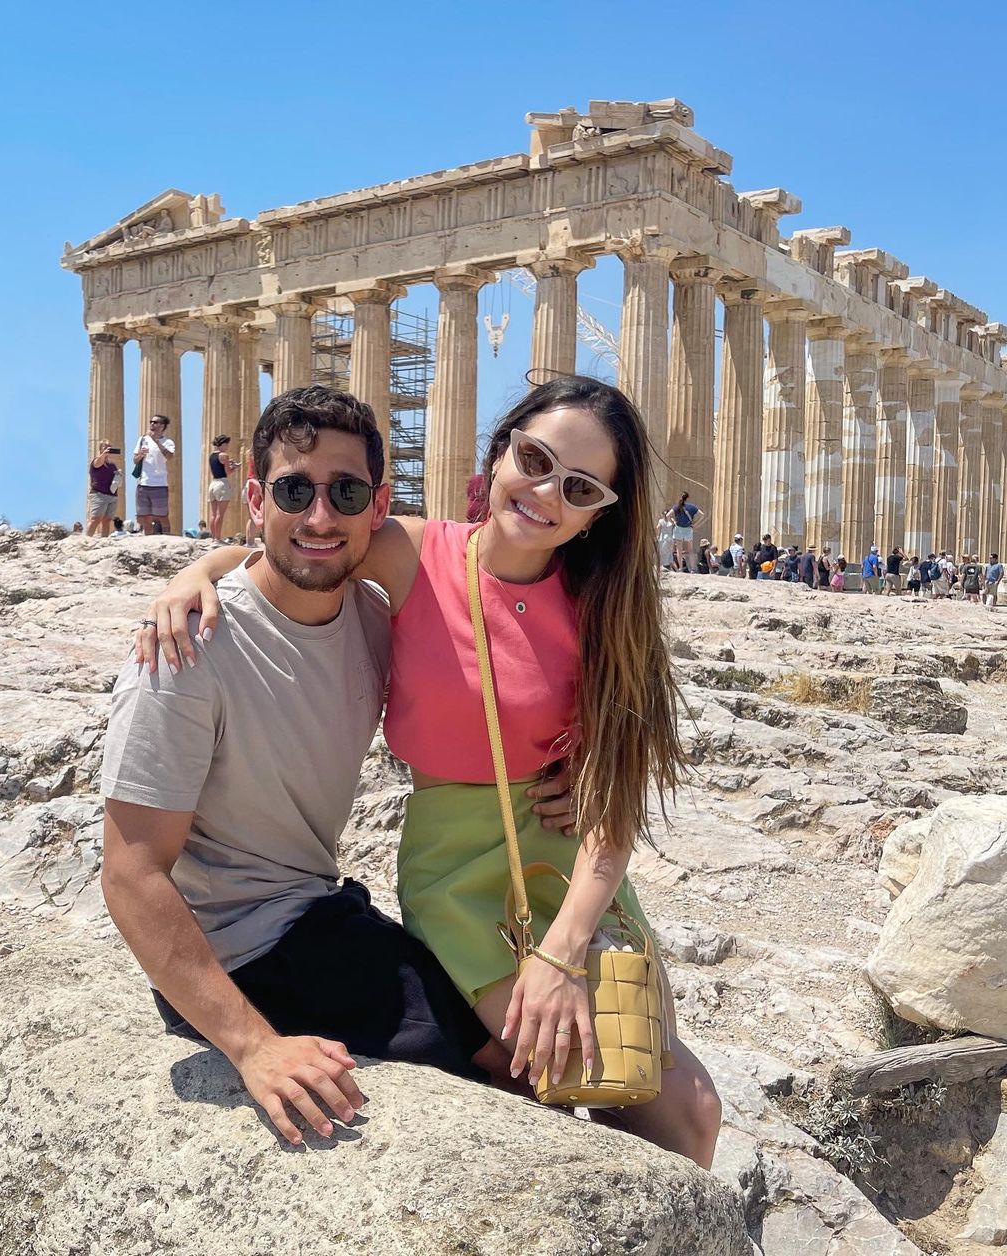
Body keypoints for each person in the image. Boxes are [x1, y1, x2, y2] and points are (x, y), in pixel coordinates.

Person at [137, 377, 723, 1167]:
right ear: (501, 450)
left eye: (580, 488)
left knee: (689, 1110)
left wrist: (562, 950)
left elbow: (614, 805)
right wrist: (196, 573)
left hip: (571, 862)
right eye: (536, 460)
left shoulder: (609, 609)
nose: (546, 492)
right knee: (551, 1070)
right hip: (458, 872)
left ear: (599, 514)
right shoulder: (413, 554)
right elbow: (300, 542)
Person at [107, 387, 582, 1149]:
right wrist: (254, 1047)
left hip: (322, 914)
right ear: (256, 500)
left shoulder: (372, 616)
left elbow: (494, 664)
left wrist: (576, 763)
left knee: (542, 1055)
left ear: (378, 506)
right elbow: (130, 874)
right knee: (517, 1071)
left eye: (347, 494)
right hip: (241, 953)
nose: (321, 517)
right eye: (294, 491)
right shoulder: (186, 650)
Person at [134, 415, 176, 534]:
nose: (152, 424)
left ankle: (167, 537)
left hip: (159, 483)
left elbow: (169, 456)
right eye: (151, 422)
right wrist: (140, 455)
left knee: (162, 516)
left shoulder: (168, 442)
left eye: (155, 422)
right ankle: (148, 538)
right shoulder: (142, 439)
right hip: (143, 483)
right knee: (145, 517)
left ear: (162, 426)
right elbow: (135, 460)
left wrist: (156, 441)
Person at [207, 435, 239, 543]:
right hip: (222, 484)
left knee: (213, 514)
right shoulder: (224, 455)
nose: (228, 447)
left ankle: (213, 538)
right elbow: (228, 472)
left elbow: (217, 468)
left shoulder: (211, 456)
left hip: (213, 484)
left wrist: (228, 464)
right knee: (220, 514)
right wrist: (234, 467)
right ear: (223, 444)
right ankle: (218, 538)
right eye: (227, 444)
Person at [87, 440, 121, 537]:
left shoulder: (112, 465)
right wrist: (103, 454)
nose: (108, 448)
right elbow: (98, 463)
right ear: (100, 449)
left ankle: (104, 539)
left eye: (109, 446)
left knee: (107, 520)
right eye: (105, 447)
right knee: (95, 519)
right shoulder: (96, 461)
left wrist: (118, 475)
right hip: (99, 494)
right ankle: (87, 539)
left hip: (112, 495)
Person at [667, 492, 703, 572]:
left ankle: (680, 568)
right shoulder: (692, 507)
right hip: (688, 529)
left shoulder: (676, 506)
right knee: (690, 550)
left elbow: (668, 515)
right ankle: (692, 568)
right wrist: (696, 524)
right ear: (687, 498)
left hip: (678, 529)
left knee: (679, 550)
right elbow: (702, 515)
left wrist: (673, 522)